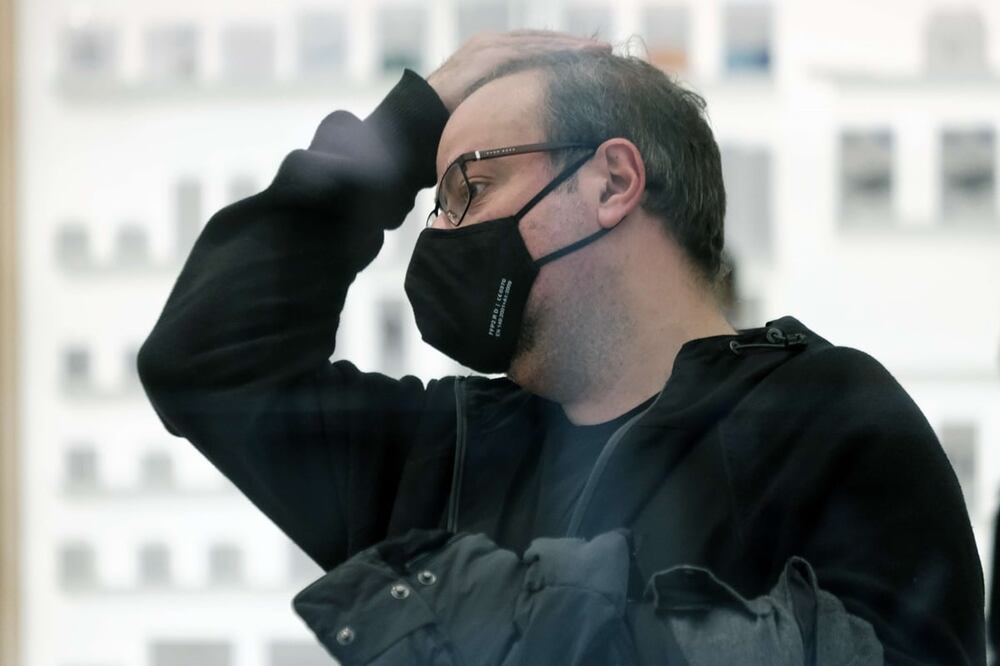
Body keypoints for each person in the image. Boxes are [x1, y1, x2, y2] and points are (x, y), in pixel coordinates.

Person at [137, 31, 985, 665]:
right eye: (435, 201)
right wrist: (406, 128)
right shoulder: (446, 450)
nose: (439, 231)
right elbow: (208, 360)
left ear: (612, 182)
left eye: (469, 187)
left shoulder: (825, 418)